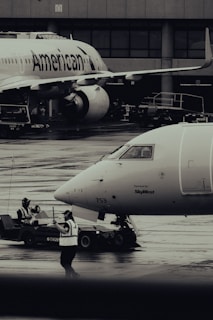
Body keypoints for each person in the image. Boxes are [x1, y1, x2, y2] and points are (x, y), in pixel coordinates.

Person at [53, 210, 79, 278]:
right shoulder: (74, 224)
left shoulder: (67, 223)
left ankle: (74, 274)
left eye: (65, 214)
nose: (64, 216)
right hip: (74, 246)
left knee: (63, 262)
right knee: (68, 263)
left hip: (67, 246)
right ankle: (67, 278)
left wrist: (56, 224)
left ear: (68, 215)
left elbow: (64, 231)